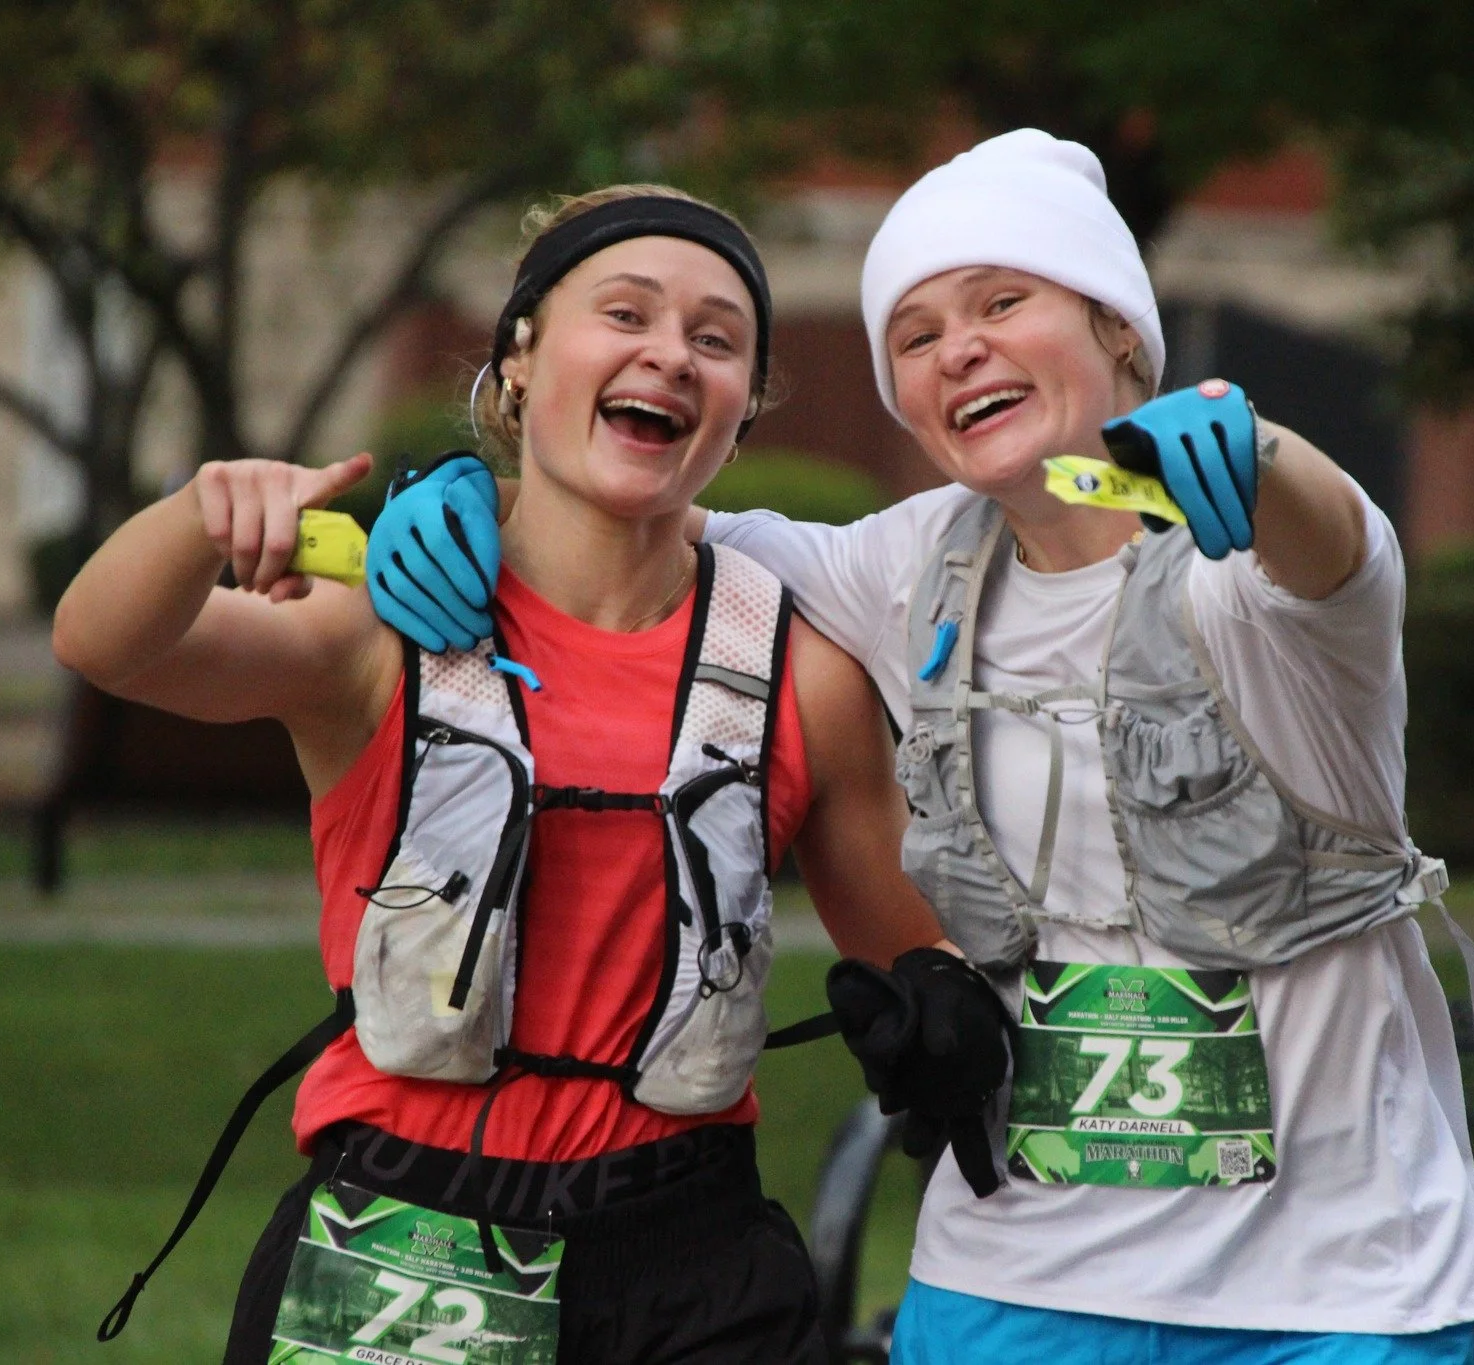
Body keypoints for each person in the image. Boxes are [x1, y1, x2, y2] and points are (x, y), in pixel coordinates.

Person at [369, 132, 1474, 1365]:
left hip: (1330, 1292)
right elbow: (630, 507)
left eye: (1002, 302)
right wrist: (463, 494)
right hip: (1011, 1281)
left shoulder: (1254, 574)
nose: (956, 347)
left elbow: (1335, 546)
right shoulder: (908, 565)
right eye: (913, 336)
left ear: (1119, 329)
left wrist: (1264, 453)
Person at [52, 184, 946, 1365]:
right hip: (399, 1246)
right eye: (624, 314)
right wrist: (200, 515)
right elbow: (108, 643)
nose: (669, 356)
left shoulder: (803, 675)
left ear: (743, 409)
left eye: (715, 339)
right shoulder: (380, 625)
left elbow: (917, 968)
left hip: (694, 1260)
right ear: (519, 356)